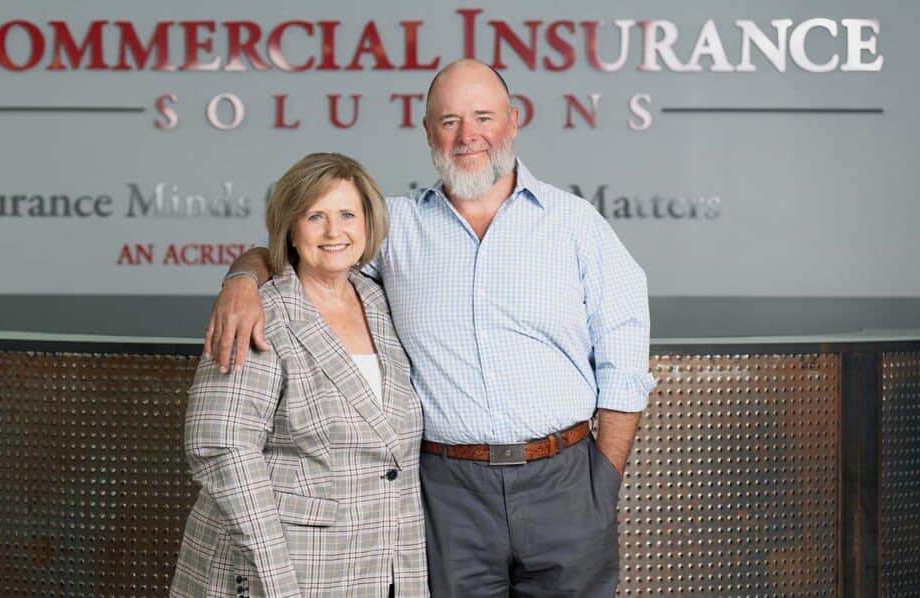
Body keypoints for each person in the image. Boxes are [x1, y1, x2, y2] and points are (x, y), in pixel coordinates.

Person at [206, 59, 656, 597]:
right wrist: (242, 279)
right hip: (447, 496)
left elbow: (623, 365)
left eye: (483, 117)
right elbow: (305, 249)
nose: (467, 136)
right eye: (448, 121)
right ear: (428, 133)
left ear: (512, 121)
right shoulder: (392, 230)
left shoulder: (578, 224)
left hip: (564, 483)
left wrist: (600, 487)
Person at [172, 153, 428, 597]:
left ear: (368, 223)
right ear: (290, 226)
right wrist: (277, 577)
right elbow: (221, 446)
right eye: (316, 216)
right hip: (278, 571)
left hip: (378, 566)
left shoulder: (381, 302)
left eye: (348, 214)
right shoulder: (258, 312)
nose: (334, 232)